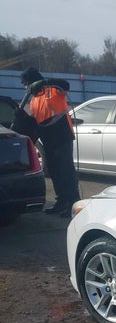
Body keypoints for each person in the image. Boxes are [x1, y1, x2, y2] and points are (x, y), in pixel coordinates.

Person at [16, 67, 80, 216]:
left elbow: (65, 84)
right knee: (54, 172)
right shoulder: (34, 101)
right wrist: (22, 116)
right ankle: (61, 201)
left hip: (62, 137)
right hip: (48, 140)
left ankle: (73, 203)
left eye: (26, 83)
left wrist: (45, 82)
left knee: (66, 172)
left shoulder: (53, 89)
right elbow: (35, 123)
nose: (26, 87)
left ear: (33, 80)